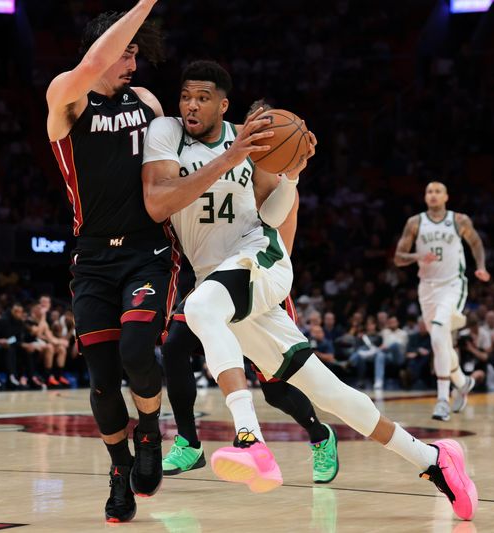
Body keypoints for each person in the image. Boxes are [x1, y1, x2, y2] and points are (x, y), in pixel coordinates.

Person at [142, 60, 477, 520]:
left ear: (223, 104)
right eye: (185, 96)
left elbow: (275, 218)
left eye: (202, 97)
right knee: (329, 392)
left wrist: (293, 175)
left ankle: (250, 441)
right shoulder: (167, 134)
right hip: (222, 279)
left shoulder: (253, 141)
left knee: (200, 309)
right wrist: (232, 155)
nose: (191, 105)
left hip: (259, 259)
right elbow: (159, 202)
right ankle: (433, 459)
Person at [158, 99, 339, 484]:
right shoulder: (225, 155)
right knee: (174, 345)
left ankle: (320, 435)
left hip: (255, 279)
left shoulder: (275, 172)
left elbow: (281, 242)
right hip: (211, 277)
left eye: (268, 125)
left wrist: (258, 288)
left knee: (275, 388)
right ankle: (189, 442)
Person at [45, 2, 172, 523]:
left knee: (139, 350)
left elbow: (170, 175)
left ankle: (148, 430)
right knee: (101, 379)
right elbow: (93, 66)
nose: (133, 66)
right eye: (126, 54)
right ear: (103, 53)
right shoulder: (66, 98)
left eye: (138, 55)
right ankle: (119, 471)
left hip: (147, 249)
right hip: (92, 256)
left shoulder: (145, 100)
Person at [394, 181, 490, 421]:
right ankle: (462, 382)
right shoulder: (415, 222)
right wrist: (417, 256)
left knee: (438, 332)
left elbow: (476, 243)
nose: (433, 195)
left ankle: (442, 400)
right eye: (429, 191)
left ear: (446, 196)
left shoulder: (459, 220)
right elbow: (398, 257)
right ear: (425, 197)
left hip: (453, 285)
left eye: (438, 191)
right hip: (427, 288)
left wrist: (480, 267)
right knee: (441, 341)